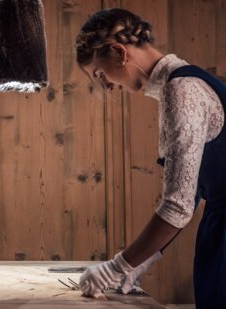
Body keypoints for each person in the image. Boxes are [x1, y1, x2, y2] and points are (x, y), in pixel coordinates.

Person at [75, 8, 226, 308]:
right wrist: (145, 258)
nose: (106, 87)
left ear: (119, 52)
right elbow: (191, 191)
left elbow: (177, 205)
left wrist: (117, 266)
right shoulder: (177, 84)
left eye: (101, 74)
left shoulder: (182, 92)